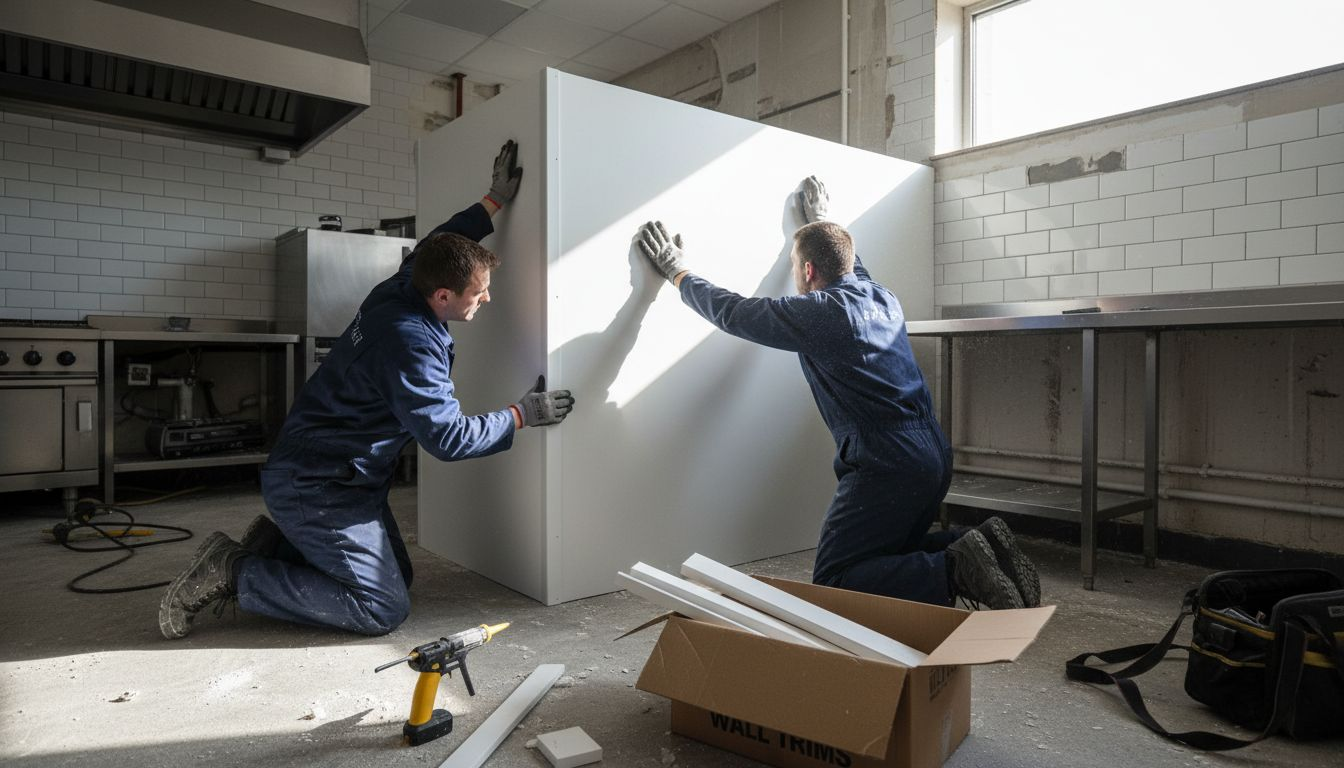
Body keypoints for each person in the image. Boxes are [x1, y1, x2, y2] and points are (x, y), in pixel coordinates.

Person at [159, 141, 575, 639]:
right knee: (381, 607)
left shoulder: (408, 281)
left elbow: (444, 239)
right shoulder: (410, 342)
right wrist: (520, 415)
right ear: (443, 296)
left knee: (402, 577)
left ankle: (274, 547)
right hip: (319, 483)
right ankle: (232, 569)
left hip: (345, 475)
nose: (487, 297)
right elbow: (447, 438)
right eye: (478, 292)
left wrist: (492, 200)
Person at [634, 177, 1039, 610]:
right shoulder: (881, 296)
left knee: (836, 580)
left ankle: (955, 566)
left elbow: (735, 312)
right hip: (932, 453)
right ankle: (976, 544)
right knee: (885, 554)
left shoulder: (821, 312)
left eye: (795, 267)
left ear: (808, 271)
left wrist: (677, 271)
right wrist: (822, 221)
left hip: (887, 461)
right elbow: (850, 263)